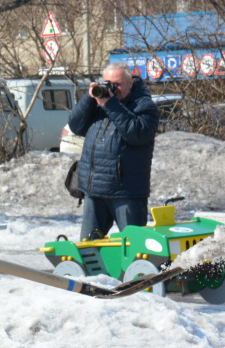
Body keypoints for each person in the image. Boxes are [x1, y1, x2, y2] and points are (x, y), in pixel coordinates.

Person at [67, 62, 159, 241]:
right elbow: (75, 126)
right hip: (95, 191)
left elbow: (137, 134)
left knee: (134, 247)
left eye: (117, 84)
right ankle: (94, 271)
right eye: (108, 83)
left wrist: (111, 104)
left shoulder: (144, 106)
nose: (112, 88)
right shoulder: (98, 104)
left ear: (130, 83)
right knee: (89, 248)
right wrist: (89, 97)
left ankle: (135, 271)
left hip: (126, 192)